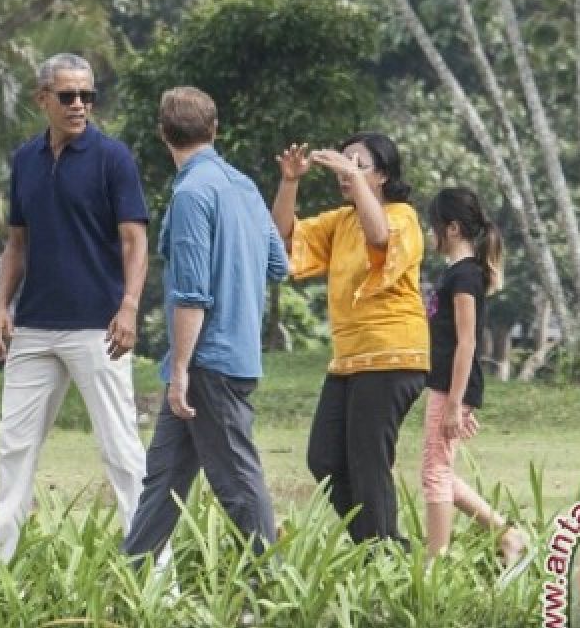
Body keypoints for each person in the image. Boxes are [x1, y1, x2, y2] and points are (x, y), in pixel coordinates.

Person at [0, 53, 149, 561]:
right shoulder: (25, 160)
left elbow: (135, 241)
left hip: (97, 329)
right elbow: (17, 243)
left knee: (121, 451)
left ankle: (156, 576)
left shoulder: (113, 158)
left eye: (87, 95)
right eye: (68, 95)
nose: (79, 104)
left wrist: (128, 307)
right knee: (14, 450)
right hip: (34, 327)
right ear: (43, 100)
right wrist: (0, 307)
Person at [123, 86, 287, 560]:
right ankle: (128, 580)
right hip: (233, 352)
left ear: (162, 134)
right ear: (214, 130)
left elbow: (192, 295)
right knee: (165, 477)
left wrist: (179, 373)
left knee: (236, 480)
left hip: (205, 361)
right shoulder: (243, 186)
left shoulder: (193, 194)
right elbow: (279, 264)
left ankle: (269, 590)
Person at [270, 134, 428, 548]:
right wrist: (290, 182)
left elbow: (380, 239)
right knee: (323, 458)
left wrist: (350, 176)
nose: (347, 172)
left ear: (383, 176)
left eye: (360, 165)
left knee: (368, 463)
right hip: (349, 361)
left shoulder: (402, 216)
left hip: (393, 357)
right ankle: (379, 546)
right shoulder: (340, 222)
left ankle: (382, 554)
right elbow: (283, 240)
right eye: (345, 162)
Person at [422, 187, 529, 575]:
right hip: (446, 385)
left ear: (451, 229)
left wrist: (455, 402)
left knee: (434, 473)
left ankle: (435, 565)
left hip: (452, 386)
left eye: (433, 227)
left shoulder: (465, 276)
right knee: (440, 471)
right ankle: (505, 534)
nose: (430, 235)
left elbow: (468, 343)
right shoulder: (456, 274)